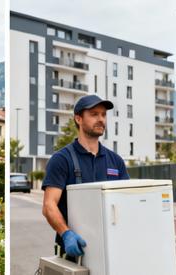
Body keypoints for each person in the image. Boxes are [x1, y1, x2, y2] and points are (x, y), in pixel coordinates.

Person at [41, 95, 129, 261]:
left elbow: (126, 203)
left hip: (111, 251)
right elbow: (48, 205)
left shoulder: (116, 161)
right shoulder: (62, 159)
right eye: (94, 114)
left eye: (103, 114)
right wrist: (66, 234)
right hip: (74, 252)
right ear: (78, 118)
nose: (101, 119)